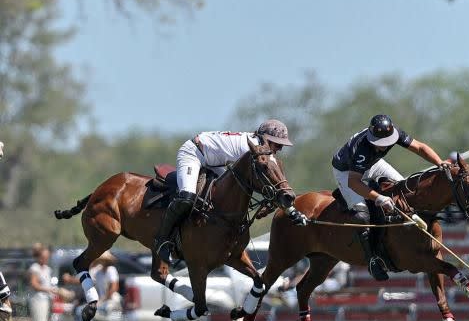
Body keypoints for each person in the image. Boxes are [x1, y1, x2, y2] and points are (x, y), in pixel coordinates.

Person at [153, 119, 307, 271]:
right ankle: (162, 240)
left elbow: (276, 186)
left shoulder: (262, 150)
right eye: (278, 144)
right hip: (194, 152)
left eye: (281, 145)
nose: (280, 148)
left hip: (215, 162)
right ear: (266, 139)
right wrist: (291, 211)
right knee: (187, 197)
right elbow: (271, 184)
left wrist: (293, 212)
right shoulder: (251, 149)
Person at [331, 114, 449, 280]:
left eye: (386, 143)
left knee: (405, 193)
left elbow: (420, 147)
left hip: (374, 164)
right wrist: (378, 198)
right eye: (379, 144)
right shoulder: (362, 149)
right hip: (347, 173)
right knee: (362, 216)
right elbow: (354, 182)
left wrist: (439, 162)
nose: (383, 147)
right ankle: (372, 259)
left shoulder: (395, 133)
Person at [27, 244, 56, 321]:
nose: (45, 259)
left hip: (46, 298)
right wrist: (49, 290)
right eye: (43, 257)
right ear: (39, 256)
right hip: (37, 299)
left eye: (47, 257)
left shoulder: (47, 269)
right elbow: (34, 284)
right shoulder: (35, 268)